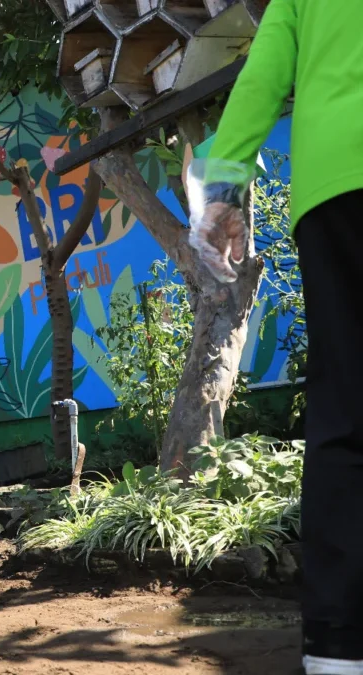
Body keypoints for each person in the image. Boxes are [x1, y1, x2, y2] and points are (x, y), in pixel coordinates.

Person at [188, 2, 363, 671]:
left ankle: (338, 651)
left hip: (335, 192)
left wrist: (225, 182)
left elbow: (267, 63)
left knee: (344, 420)